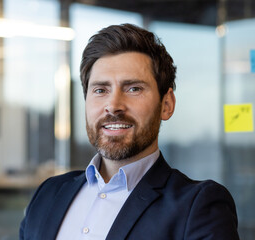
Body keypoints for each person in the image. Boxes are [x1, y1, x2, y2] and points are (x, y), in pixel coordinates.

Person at [19, 23, 239, 240]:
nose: (113, 105)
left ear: (166, 104)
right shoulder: (48, 194)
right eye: (100, 90)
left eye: (133, 89)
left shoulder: (198, 206)